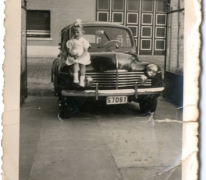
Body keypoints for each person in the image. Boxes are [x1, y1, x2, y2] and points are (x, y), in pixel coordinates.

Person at [66, 19, 91, 87]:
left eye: (77, 32)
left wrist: (80, 57)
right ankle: (75, 79)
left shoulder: (84, 41)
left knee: (83, 65)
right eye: (74, 32)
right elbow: (69, 50)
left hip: (82, 55)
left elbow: (85, 51)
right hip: (74, 55)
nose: (76, 34)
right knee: (76, 63)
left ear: (82, 32)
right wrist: (73, 54)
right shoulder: (70, 41)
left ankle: (82, 81)